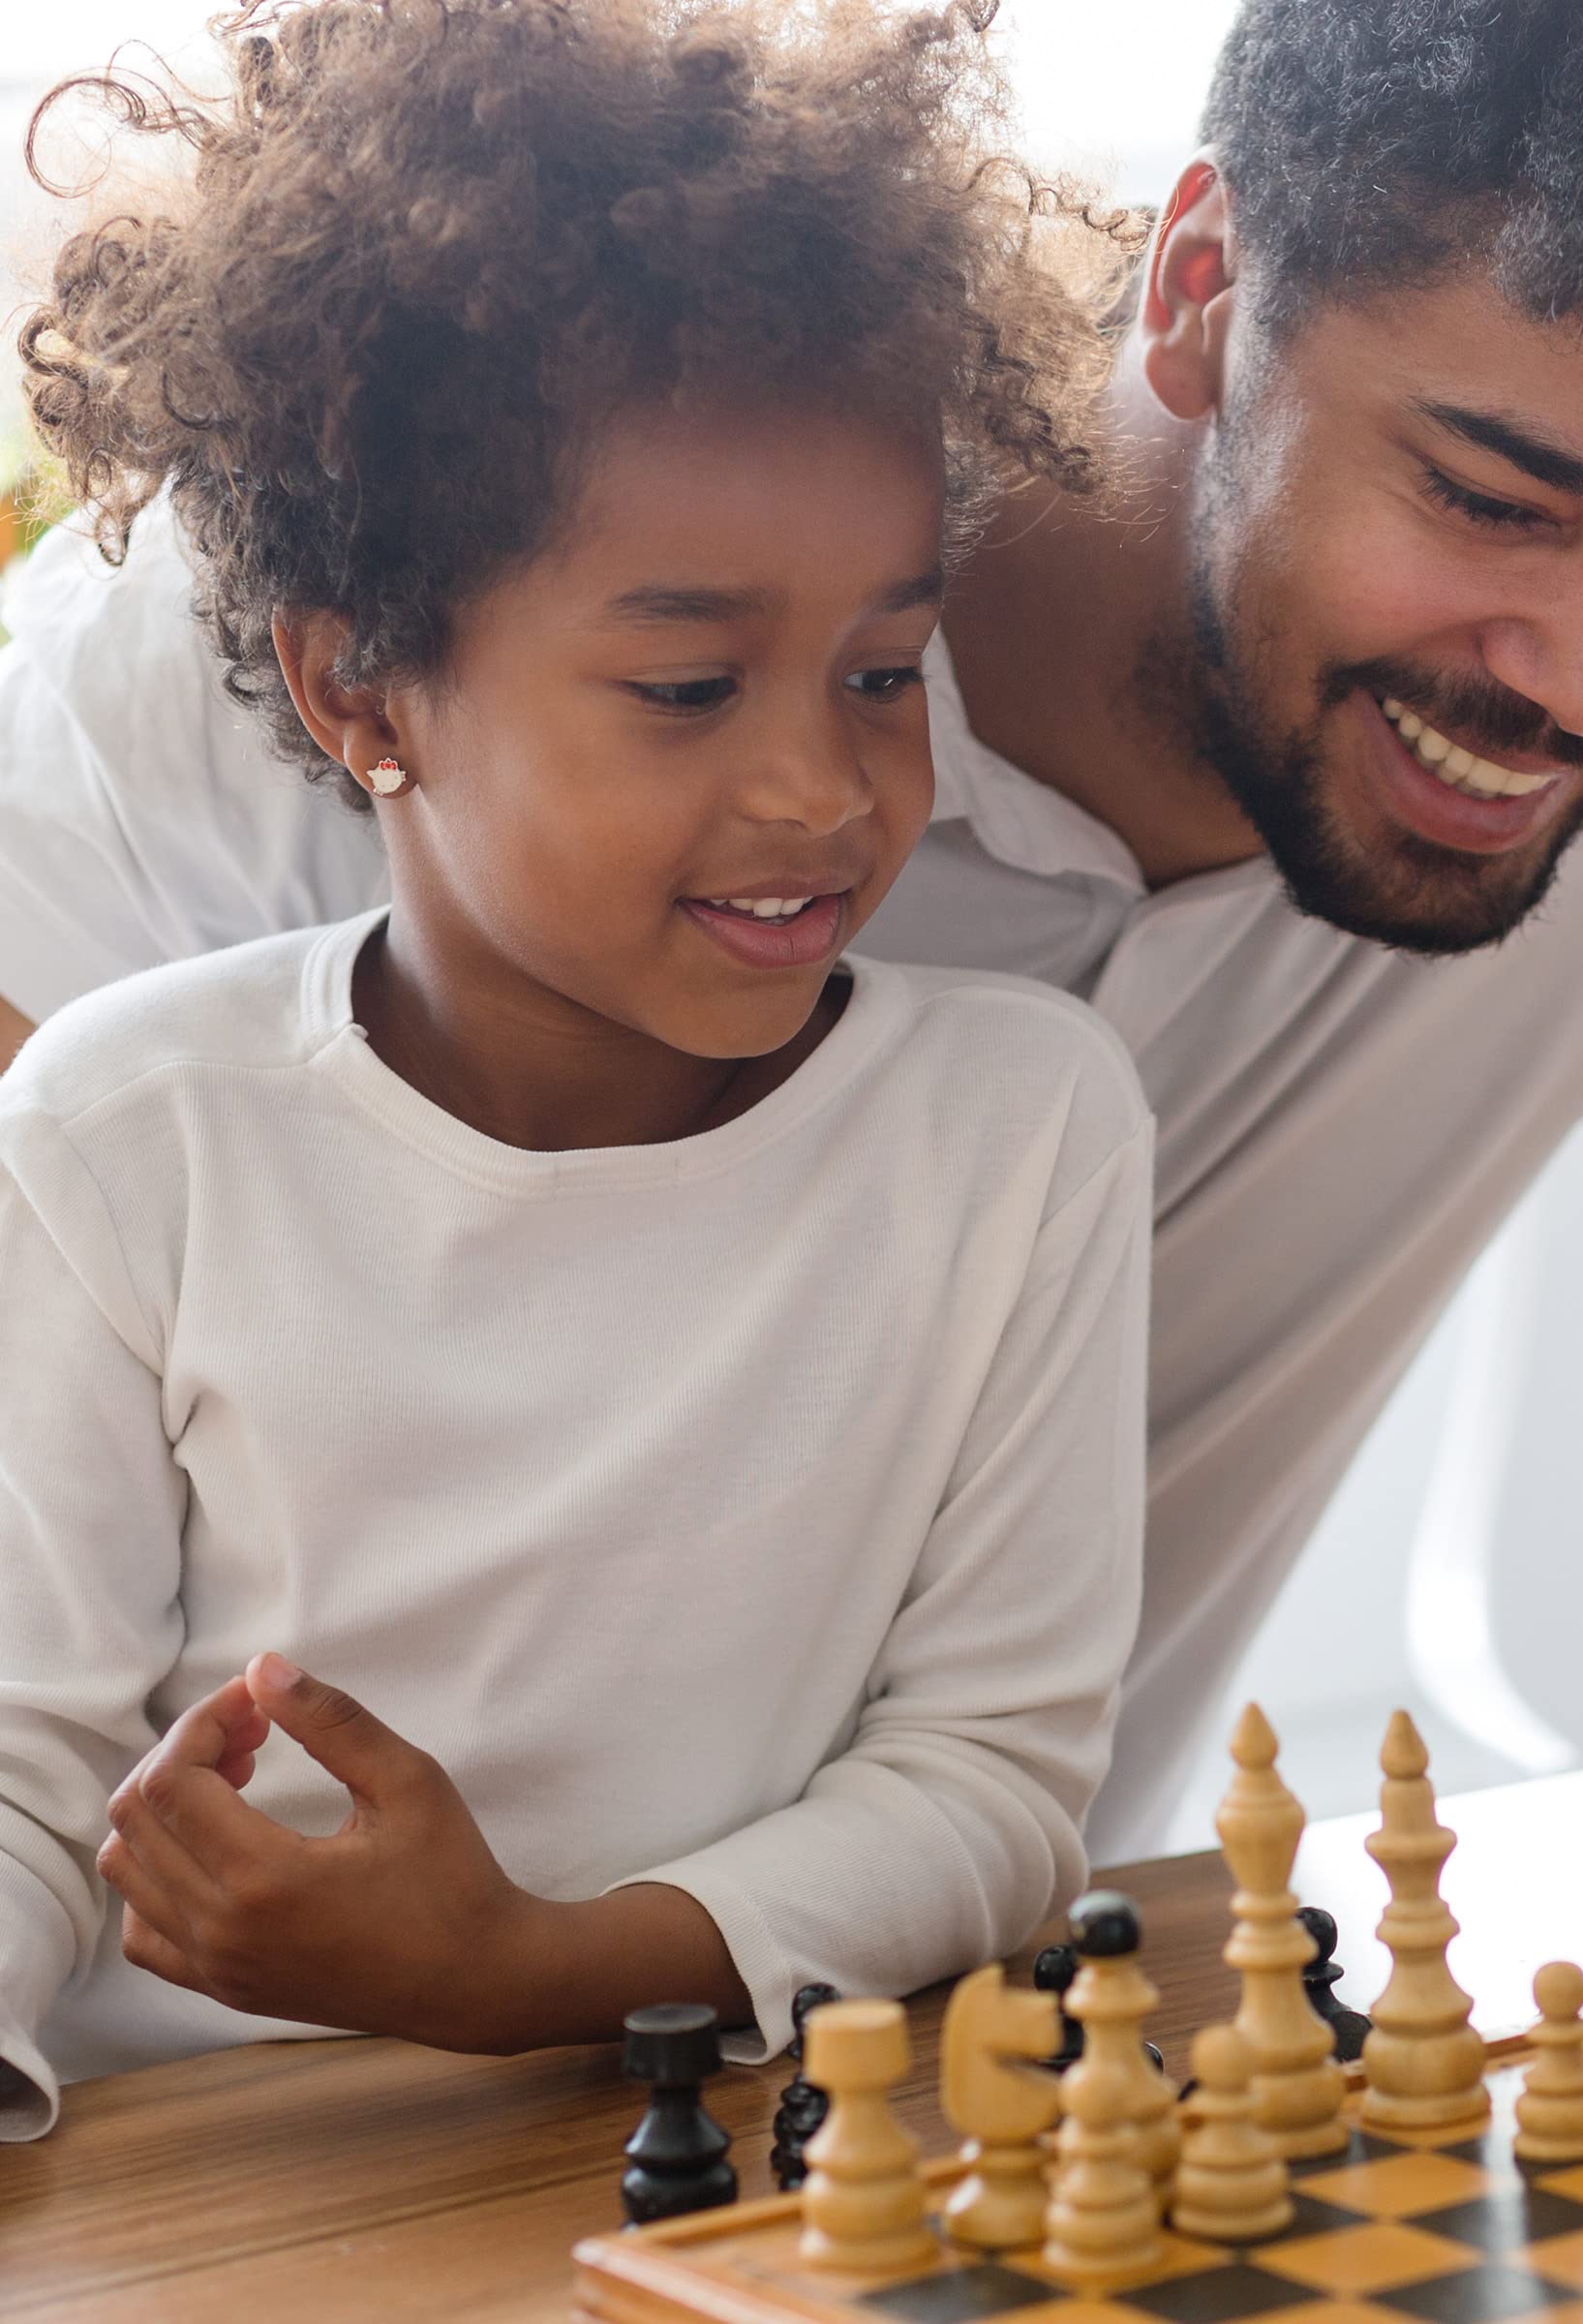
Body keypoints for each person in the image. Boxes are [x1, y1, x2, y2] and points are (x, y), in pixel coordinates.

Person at [6, 0, 1583, 1868]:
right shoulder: (403, 606)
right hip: (191, 2137)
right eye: (1497, 498)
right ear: (1202, 288)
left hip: (933, 2121)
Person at [0, 0, 1154, 2141]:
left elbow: (995, 1787)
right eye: (691, 682)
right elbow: (13, 1764)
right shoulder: (116, 1132)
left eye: (885, 672)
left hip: (721, 2158)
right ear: (364, 689)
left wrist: (534, 1972)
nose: (823, 786)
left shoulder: (1023, 1130)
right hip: (213, 2176)